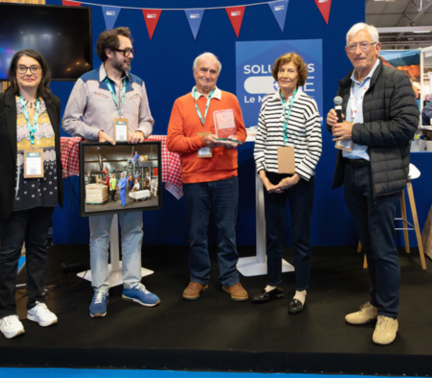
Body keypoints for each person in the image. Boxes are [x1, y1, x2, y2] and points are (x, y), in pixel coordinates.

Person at [326, 23, 419, 345]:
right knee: (369, 246)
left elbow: (406, 127)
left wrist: (355, 131)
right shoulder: (346, 84)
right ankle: (376, 304)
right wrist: (334, 126)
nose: (358, 51)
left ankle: (389, 315)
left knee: (383, 249)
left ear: (377, 47)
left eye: (364, 45)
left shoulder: (396, 80)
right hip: (352, 172)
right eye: (352, 46)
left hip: (381, 175)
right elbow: (346, 129)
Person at [62, 27, 160, 317]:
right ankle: (100, 288)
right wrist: (96, 133)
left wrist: (142, 131)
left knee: (134, 227)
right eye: (125, 51)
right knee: (100, 232)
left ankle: (132, 284)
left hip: (132, 162)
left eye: (131, 51)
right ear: (108, 53)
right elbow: (69, 121)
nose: (131, 55)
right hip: (99, 163)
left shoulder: (138, 84)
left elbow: (148, 119)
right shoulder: (86, 82)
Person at [0, 49, 63, 339]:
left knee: (39, 248)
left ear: (43, 72)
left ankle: (37, 302)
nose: (29, 72)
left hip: (45, 185)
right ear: (14, 73)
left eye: (34, 68)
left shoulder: (52, 102)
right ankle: (6, 312)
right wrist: (1, 176)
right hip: (12, 189)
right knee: (10, 251)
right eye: (23, 68)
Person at [166, 52, 248, 302]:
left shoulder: (230, 99)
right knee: (197, 232)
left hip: (226, 176)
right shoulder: (181, 103)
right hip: (195, 178)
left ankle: (230, 279)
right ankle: (198, 278)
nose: (208, 75)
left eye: (213, 72)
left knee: (227, 231)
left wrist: (235, 141)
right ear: (194, 72)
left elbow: (242, 133)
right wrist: (201, 139)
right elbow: (173, 142)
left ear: (217, 75)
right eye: (203, 70)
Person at [252, 53, 322, 315]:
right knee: (273, 234)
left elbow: (316, 147)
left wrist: (296, 176)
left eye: (291, 71)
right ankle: (273, 284)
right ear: (276, 74)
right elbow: (260, 143)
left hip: (299, 179)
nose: (285, 75)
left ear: (299, 75)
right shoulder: (267, 103)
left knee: (301, 236)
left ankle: (301, 290)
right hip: (270, 177)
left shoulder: (308, 104)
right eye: (282, 71)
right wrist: (262, 174)